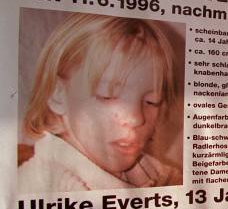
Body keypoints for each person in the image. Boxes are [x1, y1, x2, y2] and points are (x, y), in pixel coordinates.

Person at [19, 13, 182, 192]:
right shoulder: (39, 188)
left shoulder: (156, 172)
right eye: (108, 96)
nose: (136, 119)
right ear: (57, 94)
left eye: (152, 102)